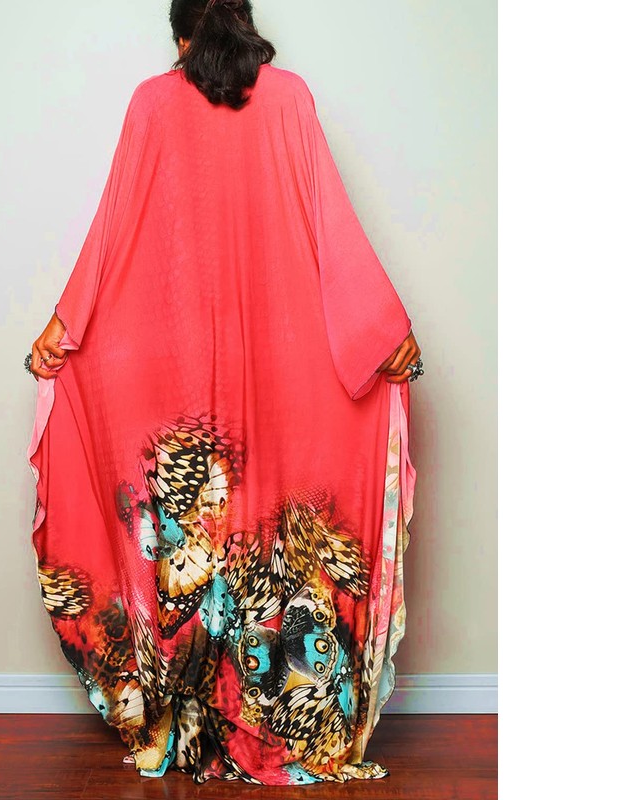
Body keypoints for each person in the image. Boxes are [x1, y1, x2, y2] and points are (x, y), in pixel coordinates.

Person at [26, 0, 422, 786]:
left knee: (194, 538)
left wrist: (63, 329)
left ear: (180, 36)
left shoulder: (150, 103)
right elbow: (333, 230)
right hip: (285, 379)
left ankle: (192, 718)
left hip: (174, 376)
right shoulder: (290, 97)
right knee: (272, 539)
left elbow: (111, 235)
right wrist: (385, 330)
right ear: (242, 22)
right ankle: (275, 720)